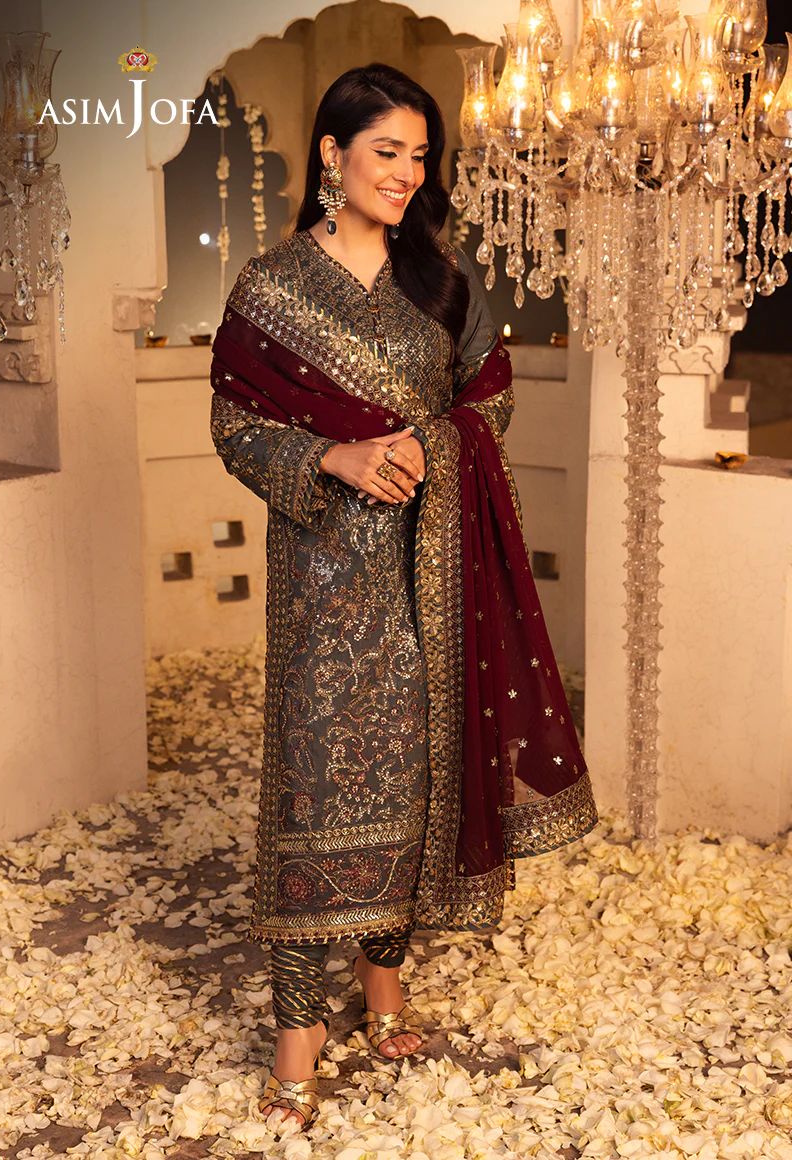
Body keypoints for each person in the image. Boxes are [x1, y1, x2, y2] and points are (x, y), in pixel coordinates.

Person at [210, 62, 599, 1130]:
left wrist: (431, 443)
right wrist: (332, 459)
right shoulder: (270, 289)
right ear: (331, 154)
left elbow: (488, 395)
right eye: (386, 151)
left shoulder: (441, 279)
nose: (405, 173)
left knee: (418, 782)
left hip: (433, 576)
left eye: (420, 156)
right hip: (325, 582)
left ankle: (382, 986)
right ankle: (298, 1029)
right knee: (315, 785)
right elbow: (236, 426)